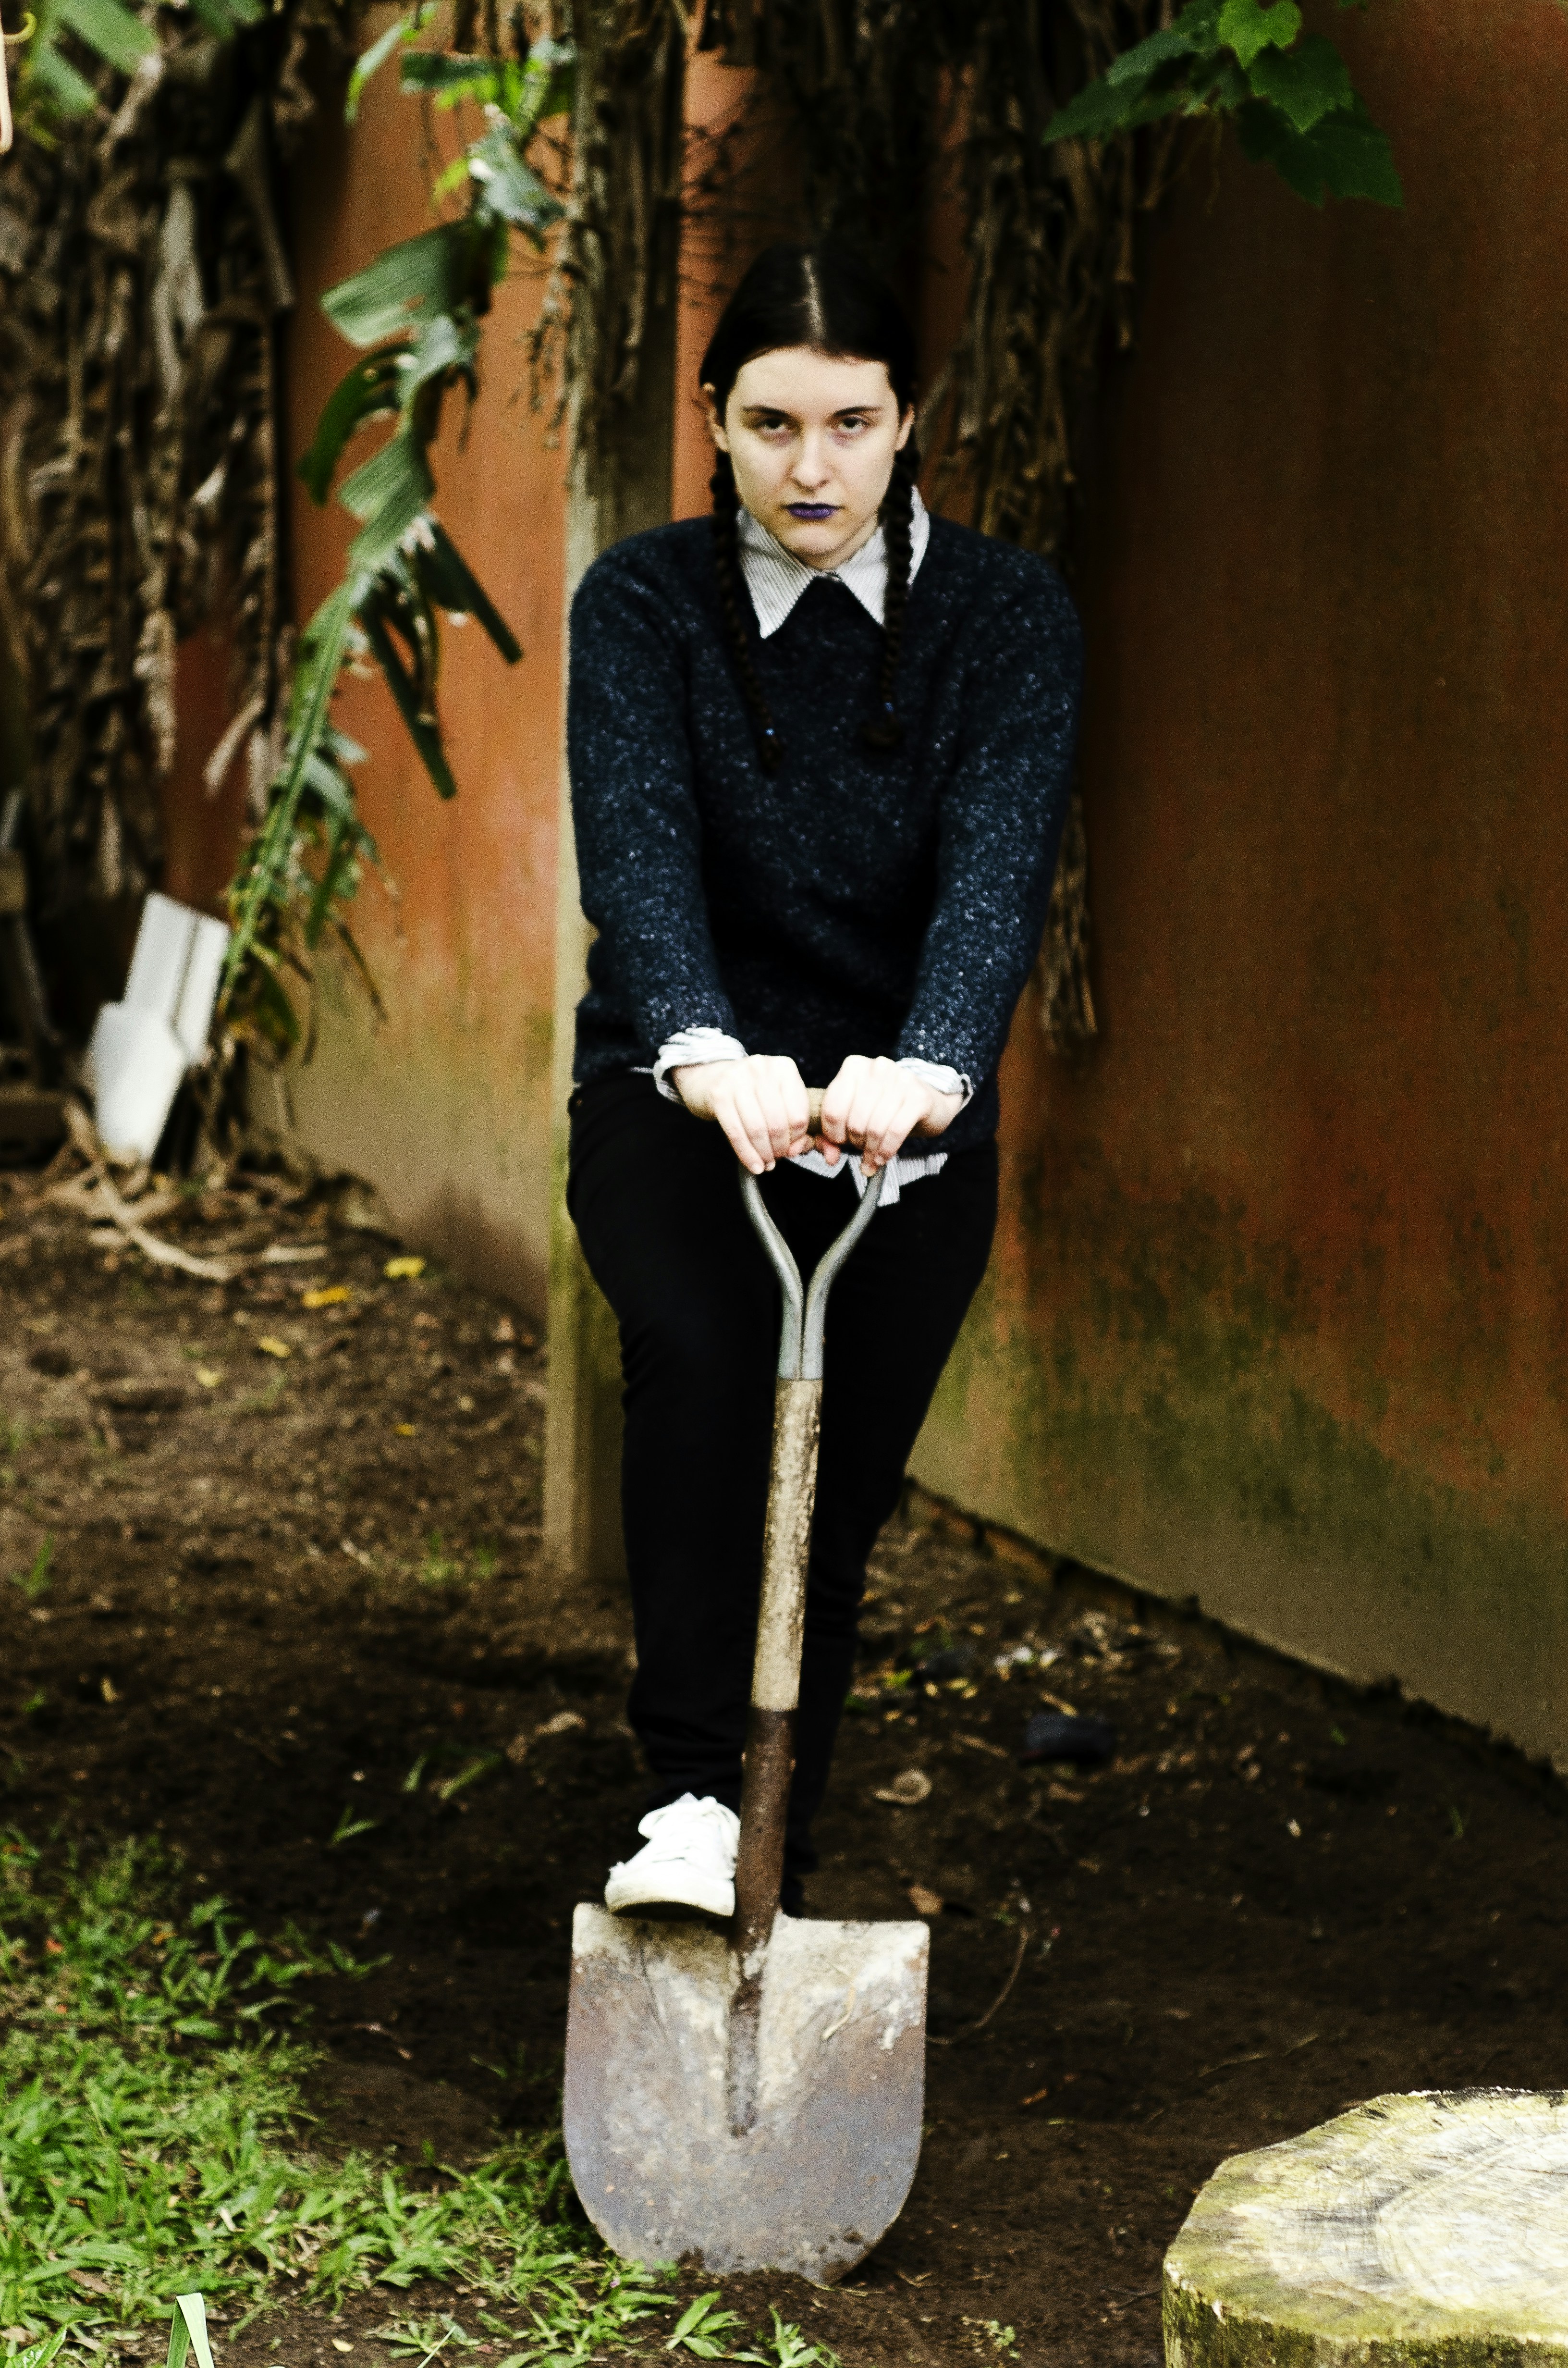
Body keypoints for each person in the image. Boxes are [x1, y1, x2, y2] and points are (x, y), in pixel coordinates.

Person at [564, 240, 1082, 1922]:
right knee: (709, 1379)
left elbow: (997, 868)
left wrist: (933, 1062)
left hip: (901, 1112)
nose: (813, 470)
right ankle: (691, 1802)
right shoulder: (643, 601)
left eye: (852, 425)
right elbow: (637, 859)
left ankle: (780, 1831)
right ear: (715, 423)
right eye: (773, 425)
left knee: (836, 1483)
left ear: (905, 420)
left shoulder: (1005, 617)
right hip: (686, 1089)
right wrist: (708, 1055)